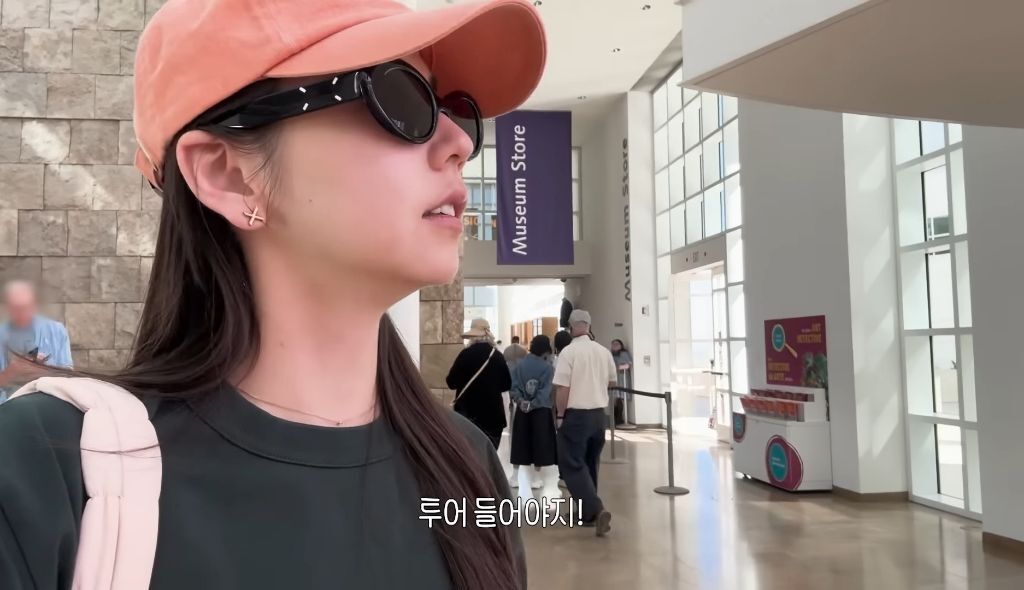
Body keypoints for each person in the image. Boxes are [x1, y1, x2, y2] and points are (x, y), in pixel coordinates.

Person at [0, 0, 546, 588]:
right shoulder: (45, 470)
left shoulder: (466, 464)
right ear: (228, 175)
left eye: (457, 112)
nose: (459, 143)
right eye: (401, 97)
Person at [553, 309, 617, 537]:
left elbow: (562, 388)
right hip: (599, 415)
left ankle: (596, 509)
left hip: (576, 416)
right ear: (589, 327)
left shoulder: (568, 353)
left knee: (571, 463)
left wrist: (560, 415)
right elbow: (611, 381)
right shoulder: (603, 352)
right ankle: (587, 515)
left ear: (570, 328)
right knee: (590, 462)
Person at [0, 281, 73, 403]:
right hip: (10, 403)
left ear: (34, 306)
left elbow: (69, 377)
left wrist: (45, 369)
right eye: (15, 308)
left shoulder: (56, 330)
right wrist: (12, 371)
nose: (21, 314)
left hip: (50, 401)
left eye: (25, 308)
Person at [447, 318, 513, 450]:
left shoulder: (465, 355)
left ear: (472, 336)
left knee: (469, 455)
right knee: (489, 455)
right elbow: (507, 384)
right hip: (493, 416)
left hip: (467, 415)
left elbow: (451, 382)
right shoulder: (497, 356)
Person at [509, 335, 560, 501]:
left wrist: (521, 401)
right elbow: (545, 391)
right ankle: (536, 478)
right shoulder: (547, 368)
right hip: (541, 410)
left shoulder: (519, 365)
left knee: (520, 441)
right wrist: (534, 403)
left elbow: (513, 387)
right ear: (546, 350)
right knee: (540, 442)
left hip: (522, 410)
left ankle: (516, 476)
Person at [610, 338, 634, 426]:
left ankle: (620, 418)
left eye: (617, 344)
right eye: (613, 344)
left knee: (621, 397)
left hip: (622, 377)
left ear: (621, 345)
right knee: (616, 398)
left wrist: (617, 368)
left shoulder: (624, 353)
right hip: (615, 377)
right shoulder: (611, 355)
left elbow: (628, 365)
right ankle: (615, 419)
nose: (615, 346)